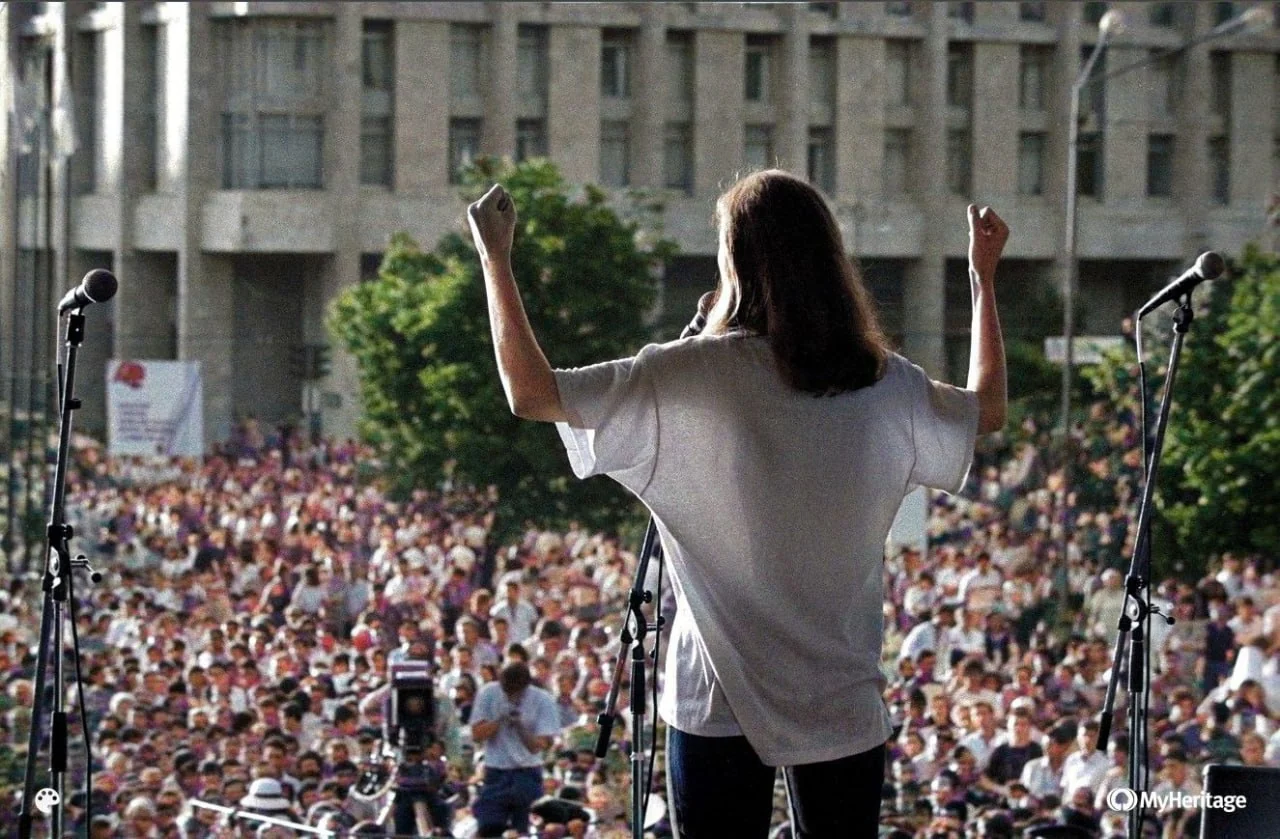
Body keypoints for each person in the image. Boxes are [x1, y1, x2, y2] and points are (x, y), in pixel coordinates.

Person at [465, 169, 1009, 837]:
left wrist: (496, 259)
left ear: (735, 262)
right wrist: (982, 281)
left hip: (715, 698)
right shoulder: (884, 381)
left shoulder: (691, 371)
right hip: (842, 696)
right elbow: (986, 410)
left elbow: (533, 393)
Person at [469, 661, 562, 837]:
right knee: (488, 828)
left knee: (526, 831)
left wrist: (520, 726)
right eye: (505, 688)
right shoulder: (488, 693)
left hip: (527, 774)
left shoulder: (543, 700)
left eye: (514, 690)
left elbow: (538, 747)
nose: (508, 694)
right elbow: (476, 735)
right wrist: (499, 720)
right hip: (495, 772)